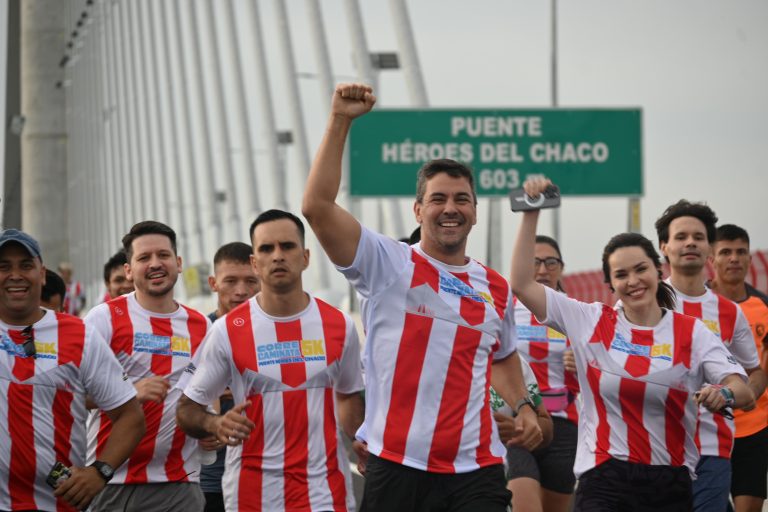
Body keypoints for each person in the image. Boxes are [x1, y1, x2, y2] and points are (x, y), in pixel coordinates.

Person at [301, 83, 541, 511]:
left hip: (477, 469)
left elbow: (502, 356)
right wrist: (339, 120)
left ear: (475, 211)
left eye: (462, 199)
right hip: (398, 464)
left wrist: (523, 405)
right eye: (438, 199)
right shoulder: (388, 262)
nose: (450, 208)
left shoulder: (496, 287)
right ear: (417, 210)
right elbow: (317, 207)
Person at [510, 178, 754, 511]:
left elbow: (743, 390)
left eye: (641, 269)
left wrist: (723, 393)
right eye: (621, 275)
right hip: (604, 476)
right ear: (610, 284)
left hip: (669, 480)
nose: (633, 281)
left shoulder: (691, 332)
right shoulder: (590, 320)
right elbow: (522, 284)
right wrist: (532, 211)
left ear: (658, 270)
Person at [177, 209, 365, 511]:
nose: (277, 256)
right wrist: (215, 423)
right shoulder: (227, 330)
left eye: (287, 246)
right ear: (255, 263)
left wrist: (361, 440)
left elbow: (348, 395)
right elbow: (187, 409)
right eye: (266, 249)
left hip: (325, 492)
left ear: (305, 257)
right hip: (252, 494)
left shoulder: (340, 325)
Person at [0, 228, 145, 511]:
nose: (15, 275)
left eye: (26, 265)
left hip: (57, 505)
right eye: (4, 267)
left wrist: (100, 472)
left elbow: (130, 416)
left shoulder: (81, 335)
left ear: (42, 274)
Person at [85, 221, 211, 511]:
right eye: (144, 258)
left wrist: (211, 425)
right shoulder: (103, 318)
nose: (155, 264)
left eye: (163, 255)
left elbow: (205, 394)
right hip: (111, 480)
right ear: (129, 270)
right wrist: (128, 393)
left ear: (178, 263)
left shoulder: (202, 326)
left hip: (180, 482)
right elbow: (70, 394)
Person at [655, 201, 767, 511]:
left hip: (712, 445)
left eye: (698, 237)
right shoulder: (645, 301)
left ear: (708, 249)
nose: (690, 242)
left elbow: (754, 372)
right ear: (664, 247)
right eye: (681, 237)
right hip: (655, 446)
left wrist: (739, 394)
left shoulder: (729, 312)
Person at [504, 235, 579, 512]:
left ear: (561, 267)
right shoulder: (504, 309)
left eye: (551, 262)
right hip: (517, 419)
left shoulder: (578, 313)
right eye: (534, 262)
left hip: (564, 424)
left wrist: (583, 363)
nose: (543, 270)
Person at [710, 224, 768, 512]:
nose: (734, 258)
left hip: (754, 426)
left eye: (741, 252)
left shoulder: (763, 306)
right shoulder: (696, 304)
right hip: (707, 426)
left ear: (749, 258)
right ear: (712, 258)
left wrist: (750, 395)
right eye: (726, 252)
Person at [200, 241, 260, 512]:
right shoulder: (198, 334)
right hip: (209, 477)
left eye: (251, 281)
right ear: (213, 283)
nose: (241, 291)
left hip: (266, 475)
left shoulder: (275, 332)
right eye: (231, 281)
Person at [491, 357, 553, 512]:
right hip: (440, 464)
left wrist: (518, 428)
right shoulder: (436, 358)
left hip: (501, 457)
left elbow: (545, 426)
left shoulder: (512, 361)